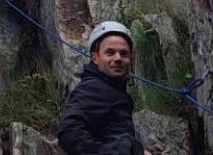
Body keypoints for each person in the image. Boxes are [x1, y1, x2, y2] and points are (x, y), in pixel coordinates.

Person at [57, 21, 152, 155]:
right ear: (95, 58)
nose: (118, 58)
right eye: (110, 53)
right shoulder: (93, 89)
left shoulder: (109, 88)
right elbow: (69, 133)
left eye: (124, 54)